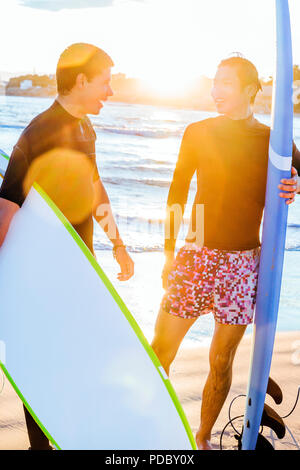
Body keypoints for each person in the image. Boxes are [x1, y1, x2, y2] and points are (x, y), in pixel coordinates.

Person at [151, 56, 300, 450]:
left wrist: (295, 184)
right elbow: (178, 193)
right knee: (159, 353)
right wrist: (169, 253)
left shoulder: (275, 138)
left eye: (225, 84)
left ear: (251, 89)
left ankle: (201, 439)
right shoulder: (197, 131)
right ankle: (152, 427)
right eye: (214, 83)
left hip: (243, 264)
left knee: (221, 361)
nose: (215, 92)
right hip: (196, 255)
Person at [0, 43, 134, 450]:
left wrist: (117, 243)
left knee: (76, 359)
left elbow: (94, 188)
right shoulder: (39, 131)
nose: (110, 92)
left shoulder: (84, 128)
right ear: (80, 81)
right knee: (43, 362)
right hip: (44, 274)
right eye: (105, 82)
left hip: (79, 270)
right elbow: (6, 206)